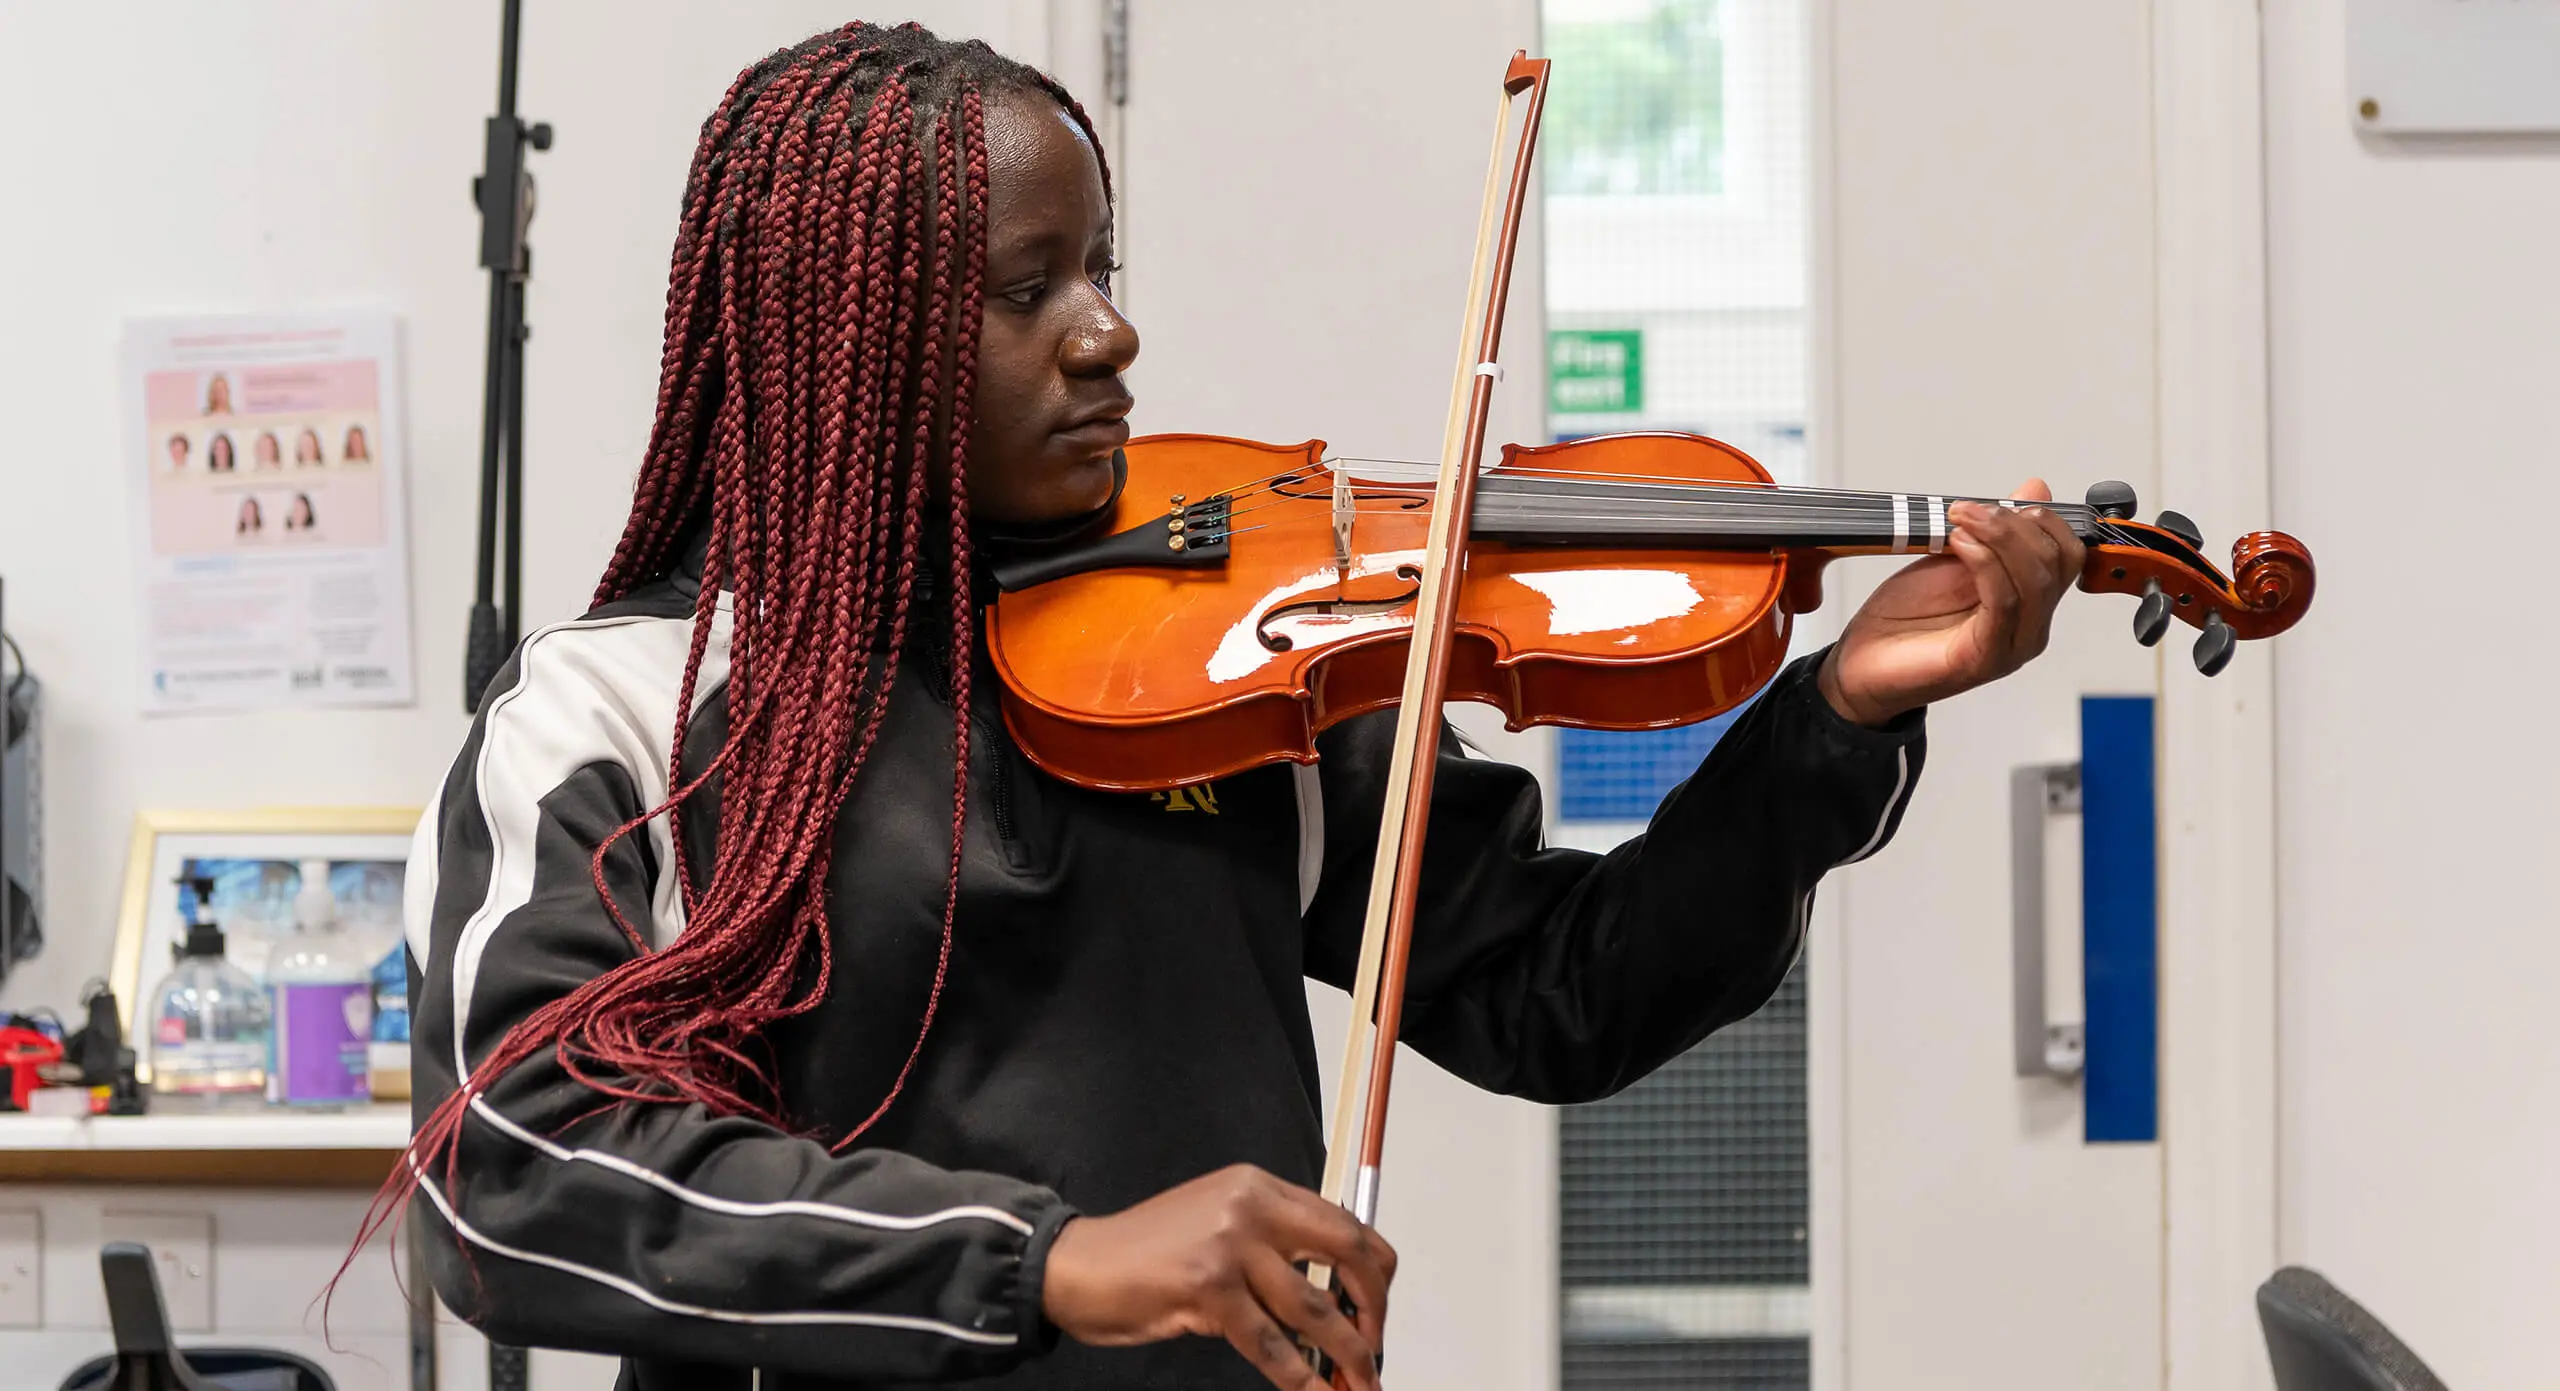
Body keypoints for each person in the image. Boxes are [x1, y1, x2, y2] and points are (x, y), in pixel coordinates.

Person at [391, 23, 2084, 1391]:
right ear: (841, 334)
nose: (1109, 332)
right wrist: (1046, 1257)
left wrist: (1830, 721)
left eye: (1103, 267)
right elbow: (515, 1178)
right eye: (1024, 288)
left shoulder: (1226, 663)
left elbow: (1562, 992)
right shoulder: (623, 711)